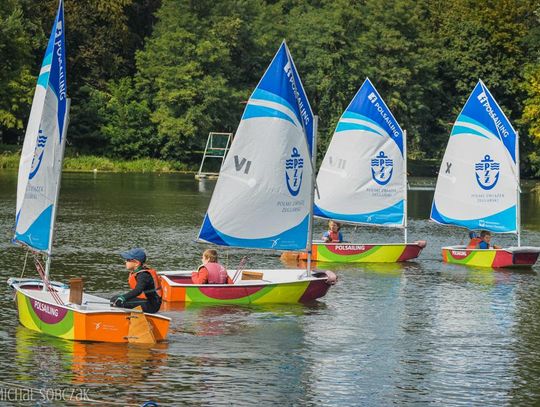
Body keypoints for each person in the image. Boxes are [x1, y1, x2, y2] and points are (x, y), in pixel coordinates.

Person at [110, 248, 162, 313]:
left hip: (151, 306)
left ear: (136, 263)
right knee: (114, 299)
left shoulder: (143, 275)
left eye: (128, 260)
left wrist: (123, 298)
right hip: (145, 301)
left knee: (116, 301)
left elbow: (138, 290)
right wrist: (122, 298)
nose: (125, 261)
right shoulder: (138, 272)